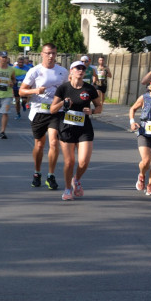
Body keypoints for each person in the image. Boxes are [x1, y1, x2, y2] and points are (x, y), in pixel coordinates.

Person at [49, 60, 102, 201]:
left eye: (83, 69)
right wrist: (63, 102)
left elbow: (99, 107)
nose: (80, 70)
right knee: (69, 162)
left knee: (84, 161)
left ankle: (76, 179)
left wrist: (92, 111)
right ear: (71, 71)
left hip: (84, 128)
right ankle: (67, 189)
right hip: (66, 128)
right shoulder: (63, 88)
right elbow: (52, 109)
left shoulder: (89, 88)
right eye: (77, 68)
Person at [20, 43, 69, 190]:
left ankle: (51, 175)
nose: (51, 56)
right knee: (39, 145)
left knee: (54, 142)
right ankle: (37, 173)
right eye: (48, 53)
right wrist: (35, 91)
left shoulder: (63, 71)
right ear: (42, 54)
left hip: (56, 112)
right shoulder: (35, 71)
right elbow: (22, 91)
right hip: (38, 112)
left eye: (53, 53)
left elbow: (68, 89)